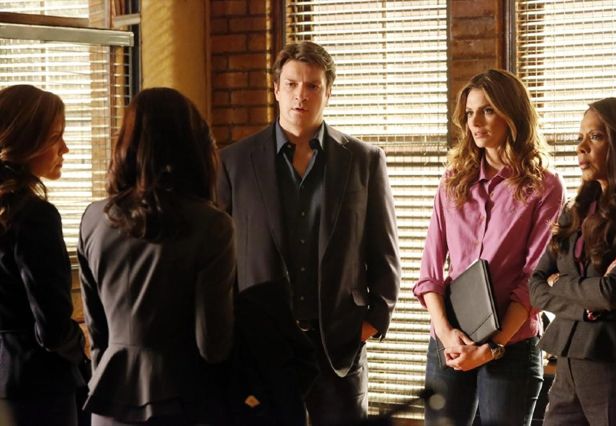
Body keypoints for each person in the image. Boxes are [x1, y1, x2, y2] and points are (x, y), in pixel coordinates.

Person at [218, 41, 401, 426]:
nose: (301, 94)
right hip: (261, 345)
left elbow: (383, 250)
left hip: (338, 345)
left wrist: (371, 321)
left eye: (313, 85)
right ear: (276, 89)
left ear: (328, 92)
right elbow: (221, 258)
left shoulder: (364, 160)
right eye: (291, 84)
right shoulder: (234, 162)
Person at [413, 69, 565, 425]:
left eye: (488, 110)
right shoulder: (453, 180)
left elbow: (533, 279)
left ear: (512, 113)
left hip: (512, 345)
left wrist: (493, 346)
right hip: (449, 341)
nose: (475, 123)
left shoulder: (545, 187)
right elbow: (429, 272)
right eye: (469, 113)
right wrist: (446, 335)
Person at [77, 87, 235, 425]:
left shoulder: (93, 219)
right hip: (183, 401)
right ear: (194, 145)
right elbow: (213, 345)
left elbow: (97, 331)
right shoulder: (212, 225)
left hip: (109, 399)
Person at [529, 97, 616, 425]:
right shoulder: (574, 211)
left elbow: (612, 292)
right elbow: (536, 286)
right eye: (580, 137)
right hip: (567, 362)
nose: (581, 147)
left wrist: (560, 283)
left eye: (596, 136)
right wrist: (585, 305)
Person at [0, 84, 85, 426]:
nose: (65, 148)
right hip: (36, 386)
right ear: (25, 143)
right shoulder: (35, 216)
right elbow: (52, 328)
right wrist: (81, 342)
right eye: (55, 137)